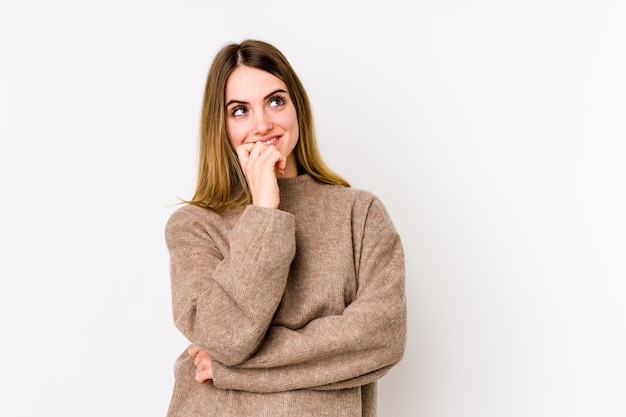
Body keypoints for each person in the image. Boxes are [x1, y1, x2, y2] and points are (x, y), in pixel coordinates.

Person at [164, 39, 407, 417]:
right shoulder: (194, 225)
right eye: (240, 110)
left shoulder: (359, 213)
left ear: (297, 107)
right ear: (220, 125)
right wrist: (264, 209)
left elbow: (380, 338)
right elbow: (224, 337)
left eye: (276, 101)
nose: (263, 124)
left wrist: (235, 370)